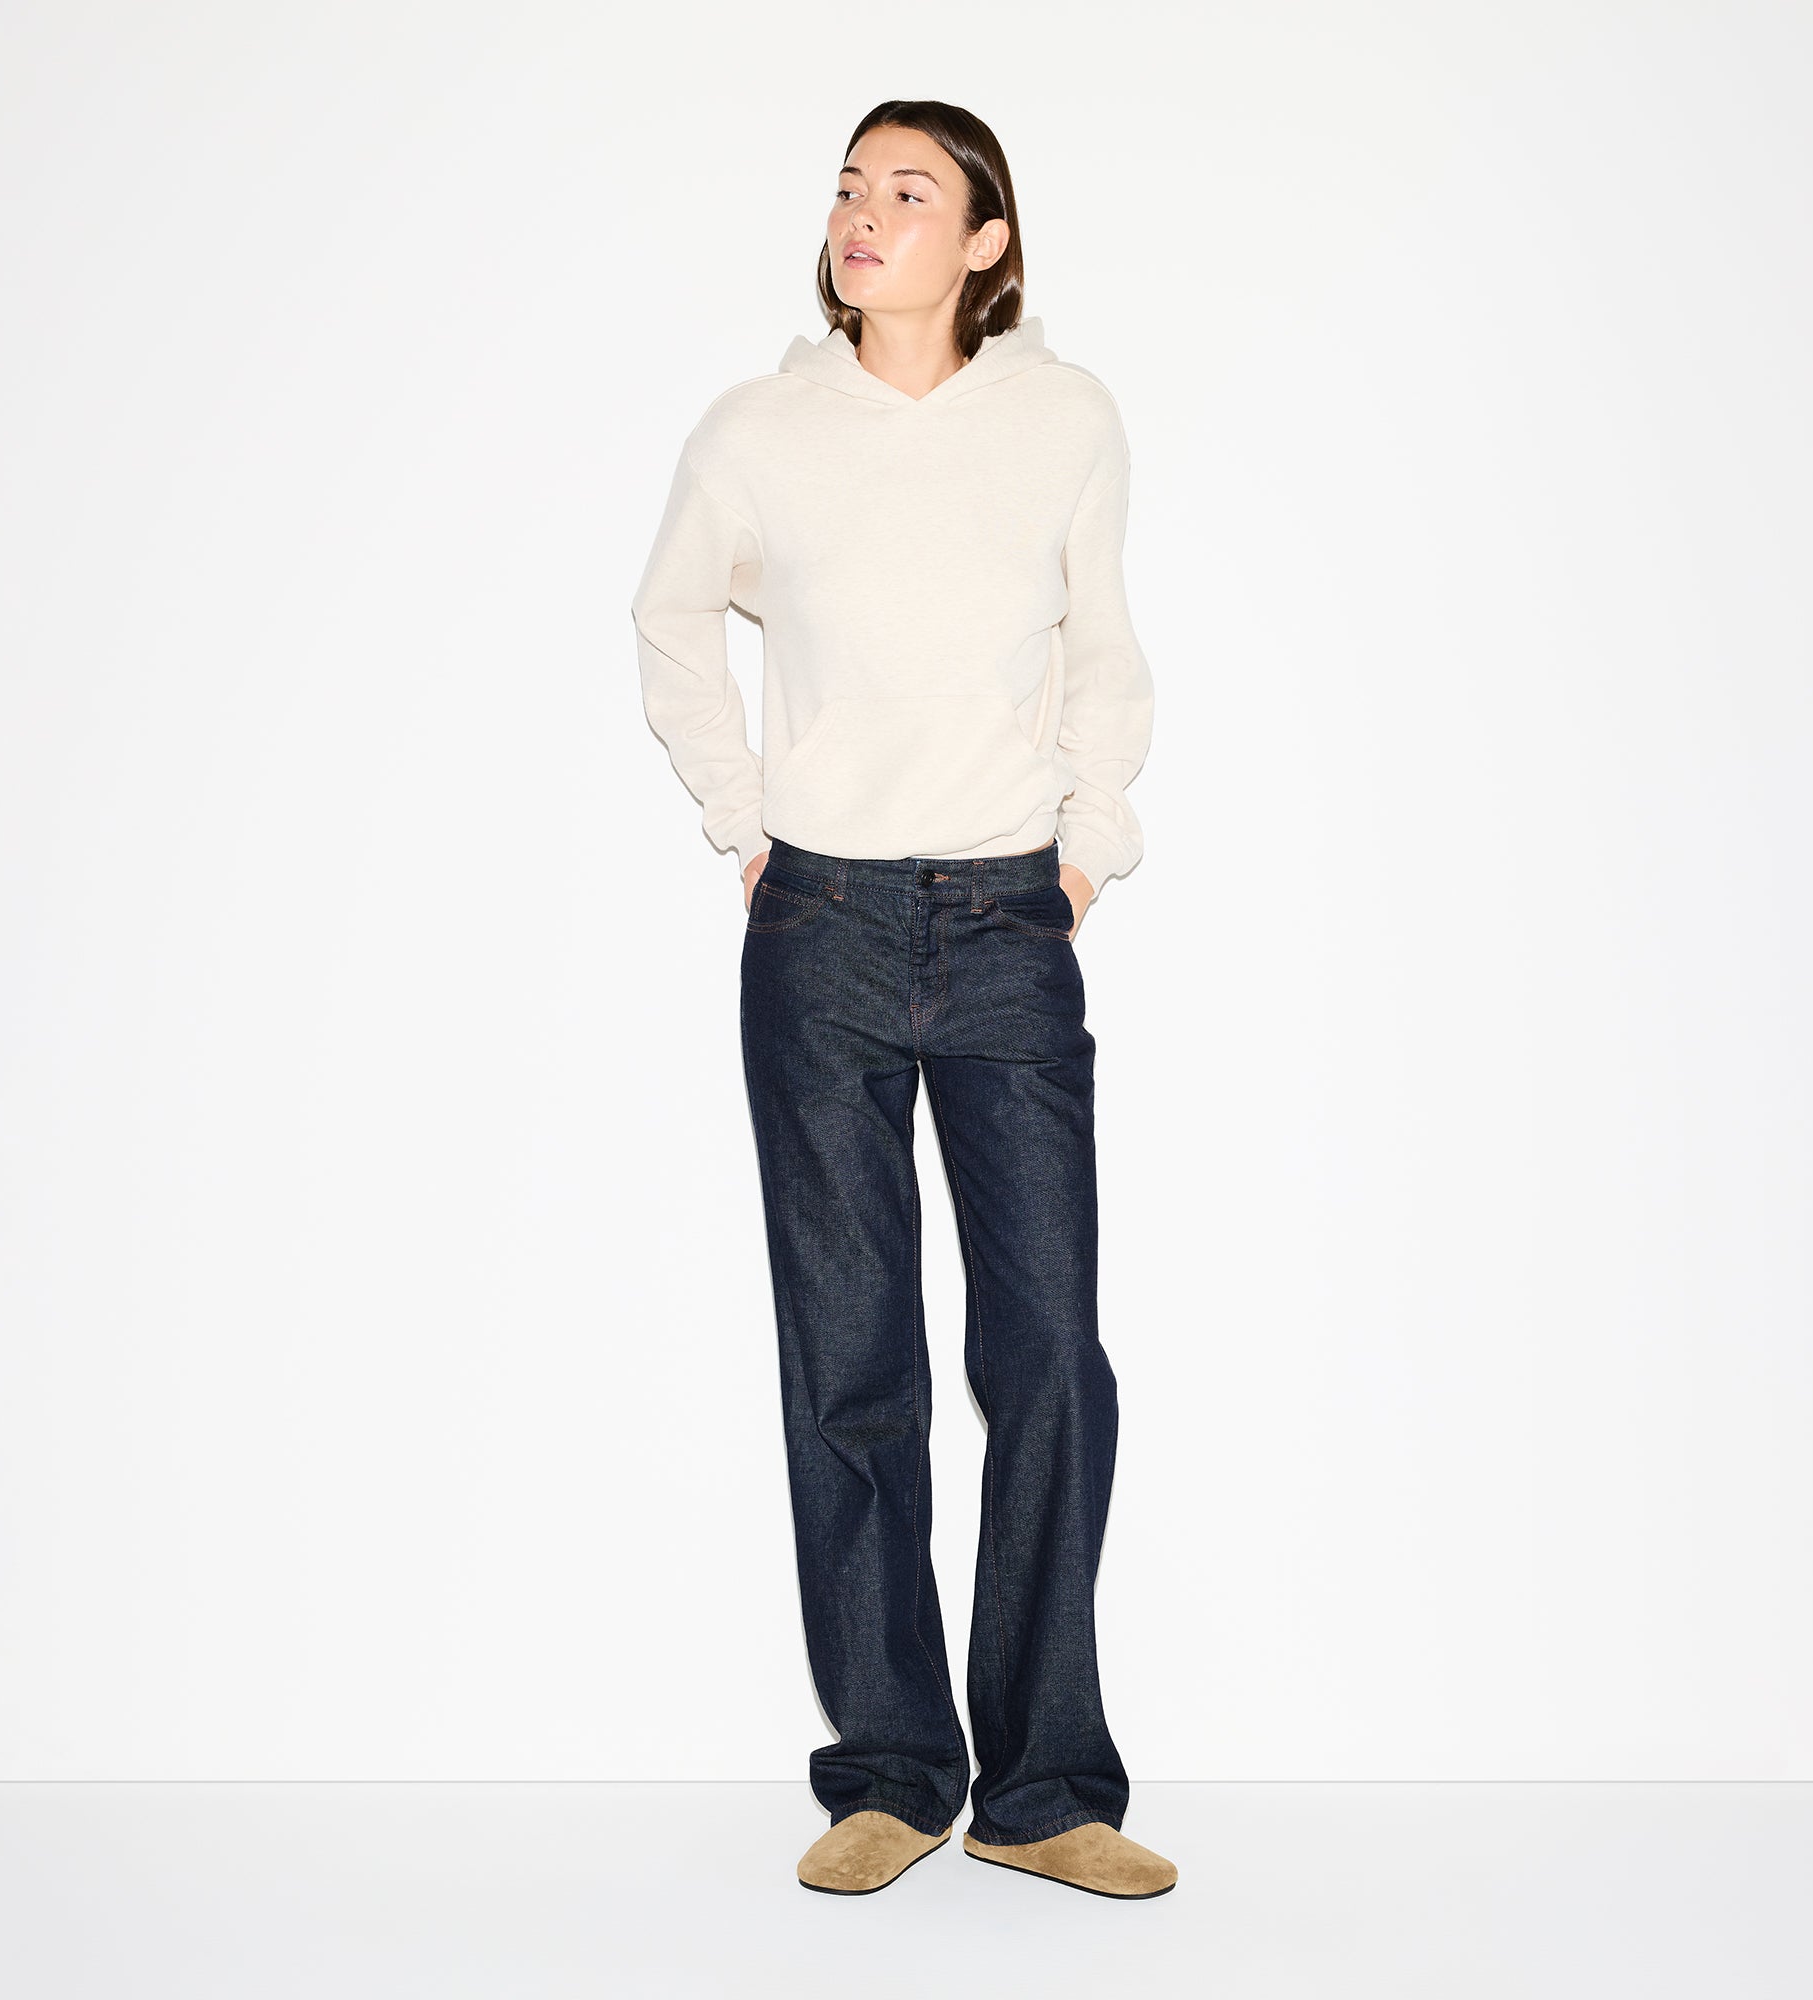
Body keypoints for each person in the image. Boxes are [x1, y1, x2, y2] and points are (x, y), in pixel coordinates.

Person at [631, 100, 1174, 1901]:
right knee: (850, 1360)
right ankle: (888, 1771)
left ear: (986, 241)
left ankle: (1045, 1789)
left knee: (1048, 1355)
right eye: (850, 188)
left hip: (1010, 921)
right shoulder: (760, 432)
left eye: (909, 191)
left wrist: (1085, 854)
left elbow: (1103, 652)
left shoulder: (1064, 420)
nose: (865, 215)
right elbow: (668, 622)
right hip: (824, 930)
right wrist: (744, 822)